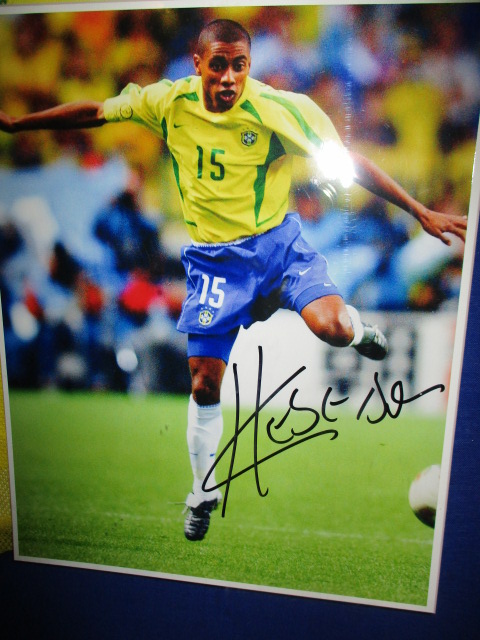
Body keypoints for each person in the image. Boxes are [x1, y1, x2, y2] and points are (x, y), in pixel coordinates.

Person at [0, 19, 467, 542]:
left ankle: (359, 333)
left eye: (239, 65)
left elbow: (350, 164)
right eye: (217, 64)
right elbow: (97, 111)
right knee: (203, 380)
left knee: (332, 328)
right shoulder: (166, 101)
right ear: (198, 62)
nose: (228, 77)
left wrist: (419, 210)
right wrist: (19, 125)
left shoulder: (279, 109)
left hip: (278, 248)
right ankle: (203, 492)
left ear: (250, 65)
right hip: (215, 264)